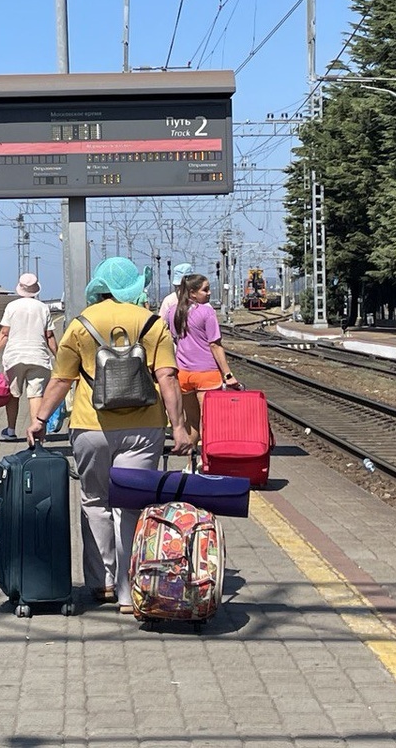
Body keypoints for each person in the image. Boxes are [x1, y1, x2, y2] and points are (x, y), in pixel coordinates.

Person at [26, 257, 193, 613]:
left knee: (95, 502)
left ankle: (102, 581)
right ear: (133, 288)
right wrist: (179, 427)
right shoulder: (152, 323)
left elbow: (61, 379)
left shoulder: (81, 324)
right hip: (144, 427)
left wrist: (40, 419)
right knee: (131, 504)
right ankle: (129, 590)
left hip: (91, 426)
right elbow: (167, 377)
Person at [165, 272, 242, 447]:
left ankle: (190, 458)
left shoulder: (173, 311)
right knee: (208, 421)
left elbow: (174, 339)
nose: (209, 293)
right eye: (205, 290)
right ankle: (205, 458)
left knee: (191, 421)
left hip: (183, 374)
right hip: (207, 374)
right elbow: (215, 345)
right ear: (192, 293)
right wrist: (228, 375)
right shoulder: (207, 312)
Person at [0, 273, 58, 441]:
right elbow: (49, 336)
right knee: (36, 395)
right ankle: (36, 433)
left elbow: (4, 333)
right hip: (38, 357)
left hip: (15, 358)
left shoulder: (12, 307)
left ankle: (11, 431)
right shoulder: (43, 308)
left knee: (13, 394)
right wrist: (59, 356)